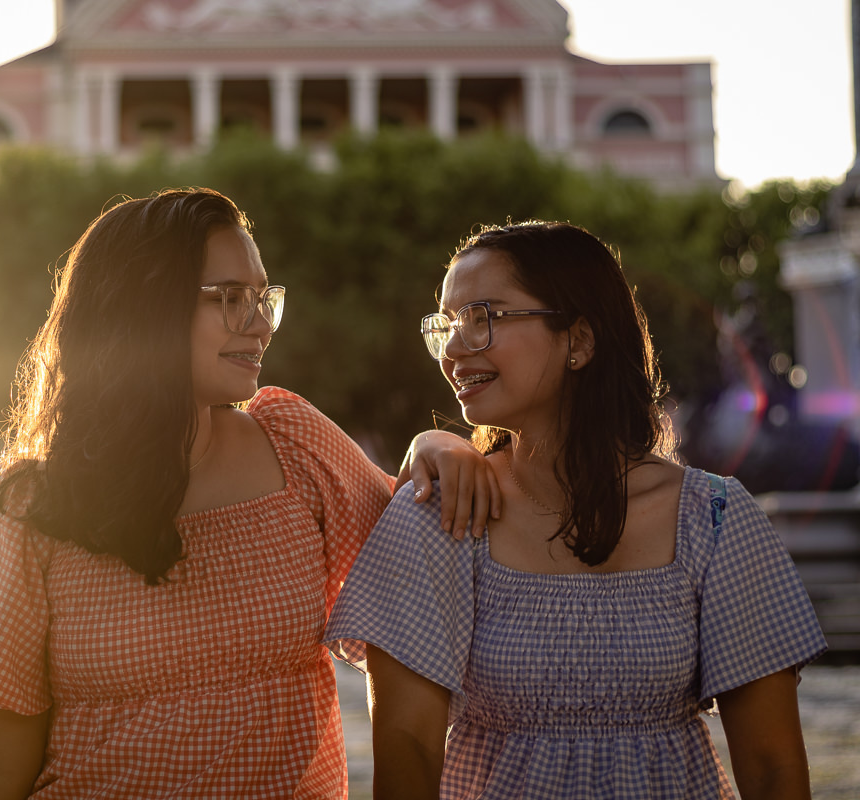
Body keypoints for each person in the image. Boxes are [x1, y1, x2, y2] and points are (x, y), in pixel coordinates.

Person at [0, 188, 496, 799]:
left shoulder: (295, 445)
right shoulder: (29, 504)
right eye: (230, 299)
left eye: (262, 299)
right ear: (144, 308)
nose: (260, 325)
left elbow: (422, 563)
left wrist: (434, 443)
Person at [325, 220, 828, 799]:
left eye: (483, 317)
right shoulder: (441, 512)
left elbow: (772, 767)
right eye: (447, 325)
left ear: (580, 340)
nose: (455, 349)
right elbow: (407, 746)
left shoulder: (714, 519)